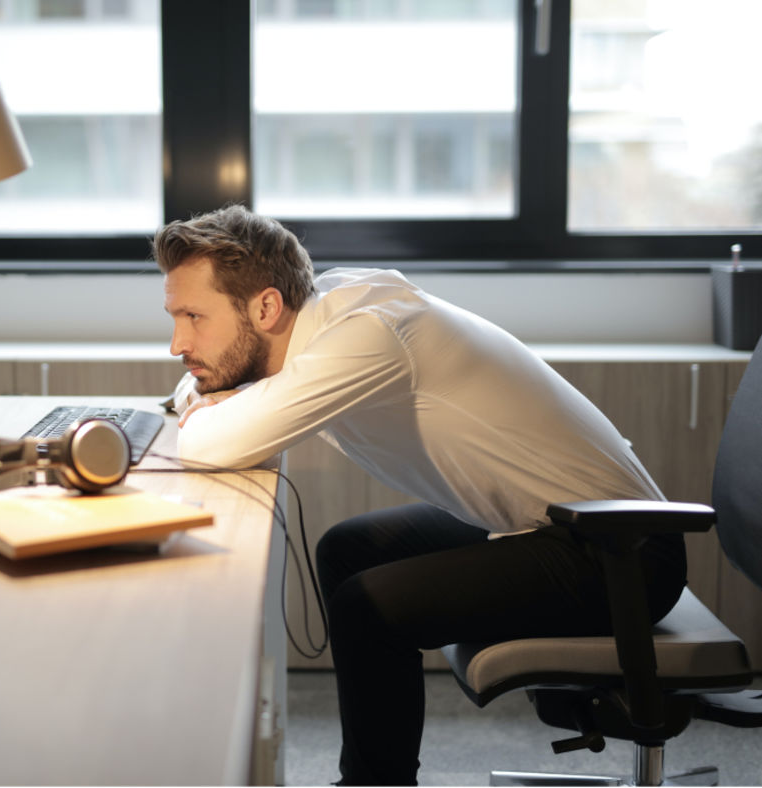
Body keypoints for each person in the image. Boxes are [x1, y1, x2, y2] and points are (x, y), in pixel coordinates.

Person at [153, 204, 687, 786]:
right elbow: (197, 394)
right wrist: (206, 397)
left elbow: (210, 443)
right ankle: (373, 774)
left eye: (194, 317)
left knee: (367, 607)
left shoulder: (368, 336)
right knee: (347, 549)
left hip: (621, 550)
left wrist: (207, 406)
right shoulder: (329, 310)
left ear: (266, 307)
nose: (178, 343)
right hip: (549, 524)